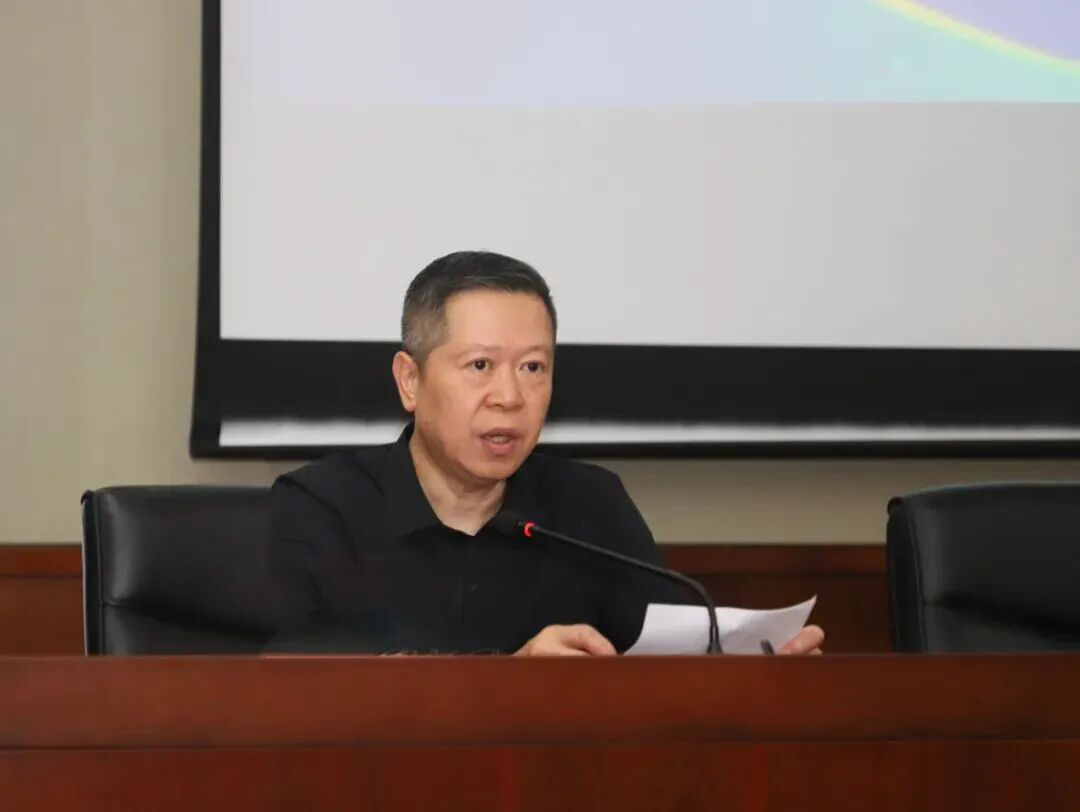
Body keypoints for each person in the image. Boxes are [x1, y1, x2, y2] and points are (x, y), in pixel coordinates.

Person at [268, 251, 825, 656]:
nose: (510, 397)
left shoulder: (589, 504)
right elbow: (302, 695)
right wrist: (514, 681)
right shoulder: (323, 507)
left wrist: (749, 671)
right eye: (480, 366)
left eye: (533, 367)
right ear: (410, 381)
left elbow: (671, 664)